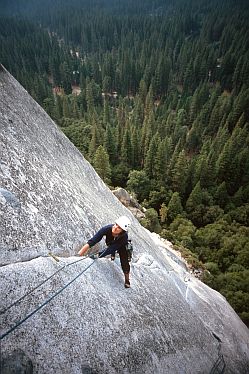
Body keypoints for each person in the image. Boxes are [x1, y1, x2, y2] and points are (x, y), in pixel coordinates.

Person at [78, 216, 132, 288]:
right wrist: (79, 255)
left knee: (124, 262)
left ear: (122, 231)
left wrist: (97, 255)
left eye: (119, 227)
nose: (115, 227)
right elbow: (92, 241)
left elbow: (111, 249)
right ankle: (113, 256)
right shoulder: (106, 229)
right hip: (111, 241)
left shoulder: (124, 237)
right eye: (116, 224)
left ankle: (127, 279)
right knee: (110, 244)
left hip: (122, 246)